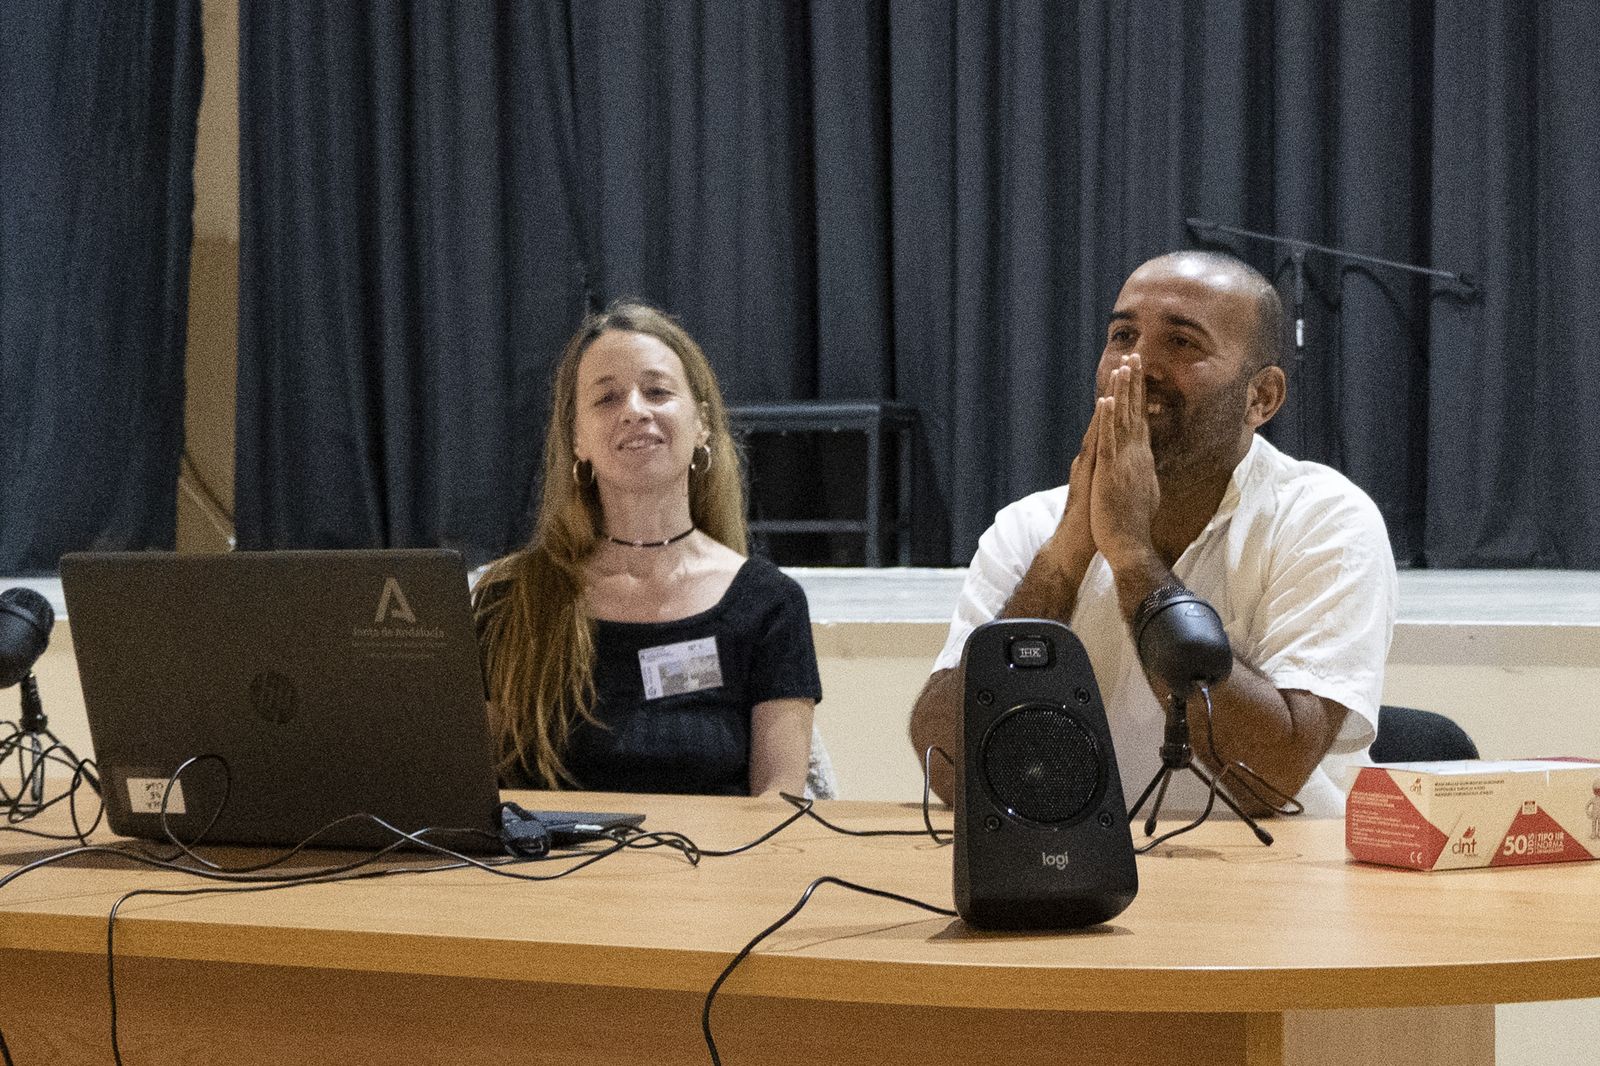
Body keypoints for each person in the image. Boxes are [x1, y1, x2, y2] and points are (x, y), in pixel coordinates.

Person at [909, 250, 1397, 817]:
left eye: (1182, 342)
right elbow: (946, 767)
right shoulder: (1031, 527)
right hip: (1077, 864)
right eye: (1122, 336)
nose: (1137, 365)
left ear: (1261, 397)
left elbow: (1271, 778)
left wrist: (1134, 559)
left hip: (1278, 865)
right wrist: (1067, 555)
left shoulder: (1325, 519)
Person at [474, 300, 821, 797]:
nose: (635, 411)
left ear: (702, 424)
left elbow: (779, 805)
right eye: (606, 398)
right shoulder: (510, 598)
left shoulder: (771, 604)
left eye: (657, 391)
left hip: (717, 852)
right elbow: (476, 795)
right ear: (577, 438)